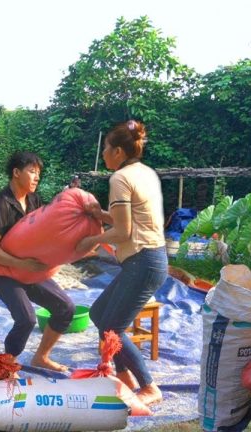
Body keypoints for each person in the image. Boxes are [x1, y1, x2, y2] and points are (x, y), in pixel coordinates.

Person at [75, 119, 167, 406]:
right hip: (147, 260)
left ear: (118, 152)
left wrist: (89, 242)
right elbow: (131, 221)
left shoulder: (119, 179)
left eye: (106, 148)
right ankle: (123, 377)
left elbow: (123, 232)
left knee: (113, 327)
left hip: (144, 262)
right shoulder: (145, 172)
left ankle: (149, 386)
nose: (103, 154)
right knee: (99, 315)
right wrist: (98, 213)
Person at [0, 151, 75, 372]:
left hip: (29, 269)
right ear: (16, 173)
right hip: (1, 272)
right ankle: (5, 365)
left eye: (38, 173)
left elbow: (45, 234)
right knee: (26, 318)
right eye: (32, 172)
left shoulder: (34, 200)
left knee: (66, 307)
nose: (37, 177)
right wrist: (23, 265)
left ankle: (41, 357)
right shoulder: (1, 205)